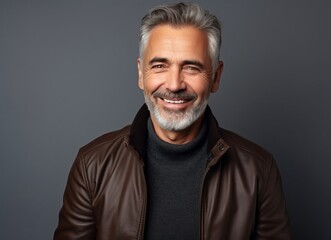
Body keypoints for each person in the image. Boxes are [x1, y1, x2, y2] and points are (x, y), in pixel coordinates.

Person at [54, 2, 291, 240]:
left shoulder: (259, 170)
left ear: (216, 77)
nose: (174, 84)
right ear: (140, 74)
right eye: (159, 66)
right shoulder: (92, 165)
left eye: (191, 67)